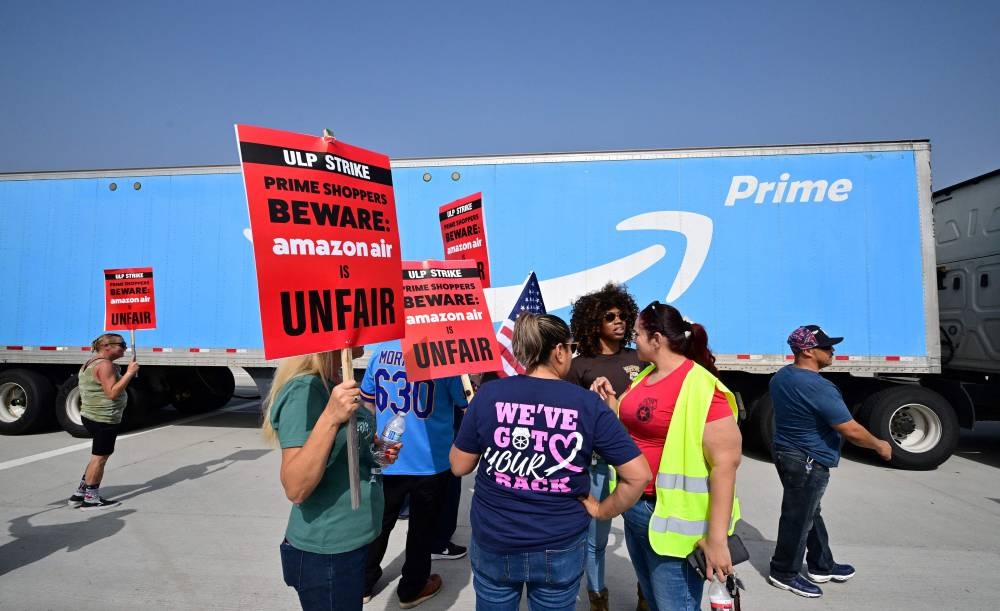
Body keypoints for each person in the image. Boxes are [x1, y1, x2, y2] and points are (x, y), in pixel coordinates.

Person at [450, 312, 651, 611]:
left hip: (496, 539)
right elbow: (638, 475)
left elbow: (459, 466)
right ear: (559, 350)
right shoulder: (587, 403)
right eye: (570, 347)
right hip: (559, 544)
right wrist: (601, 509)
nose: (571, 354)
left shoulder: (489, 394)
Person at [592, 301, 742, 611]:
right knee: (655, 600)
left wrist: (716, 540)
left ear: (656, 339)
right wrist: (610, 403)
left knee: (676, 605)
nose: (633, 341)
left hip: (675, 520)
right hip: (636, 508)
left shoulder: (701, 386)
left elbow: (725, 466)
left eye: (637, 335)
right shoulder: (645, 376)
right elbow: (635, 428)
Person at [263, 348, 398, 611]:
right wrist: (331, 416)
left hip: (354, 542)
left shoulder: (336, 381)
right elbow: (295, 486)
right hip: (327, 552)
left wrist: (379, 453)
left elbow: (349, 453)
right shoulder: (305, 389)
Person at [767, 325, 892, 598]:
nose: (832, 351)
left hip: (787, 452)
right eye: (827, 347)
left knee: (809, 512)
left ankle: (822, 565)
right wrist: (880, 445)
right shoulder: (818, 386)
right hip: (807, 461)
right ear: (808, 351)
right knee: (797, 518)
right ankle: (783, 572)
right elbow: (850, 430)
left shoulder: (781, 377)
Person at [359, 341, 468, 608]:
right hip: (430, 461)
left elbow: (367, 402)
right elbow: (466, 403)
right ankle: (412, 587)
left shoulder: (382, 350)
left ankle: (362, 582)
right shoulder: (445, 355)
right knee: (422, 528)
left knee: (379, 522)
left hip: (387, 453)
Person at [568, 283, 642, 611]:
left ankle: (647, 595)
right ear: (593, 321)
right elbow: (568, 417)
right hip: (597, 464)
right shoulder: (578, 365)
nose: (619, 321)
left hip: (641, 459)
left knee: (644, 536)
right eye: (610, 316)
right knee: (595, 540)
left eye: (624, 315)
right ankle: (598, 597)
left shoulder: (640, 358)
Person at [68, 333, 139, 510]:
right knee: (99, 459)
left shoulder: (92, 362)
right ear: (106, 346)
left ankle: (79, 494)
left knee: (97, 457)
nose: (125, 348)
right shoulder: (105, 365)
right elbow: (112, 393)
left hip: (92, 416)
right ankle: (90, 498)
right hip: (103, 419)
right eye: (121, 344)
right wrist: (129, 373)